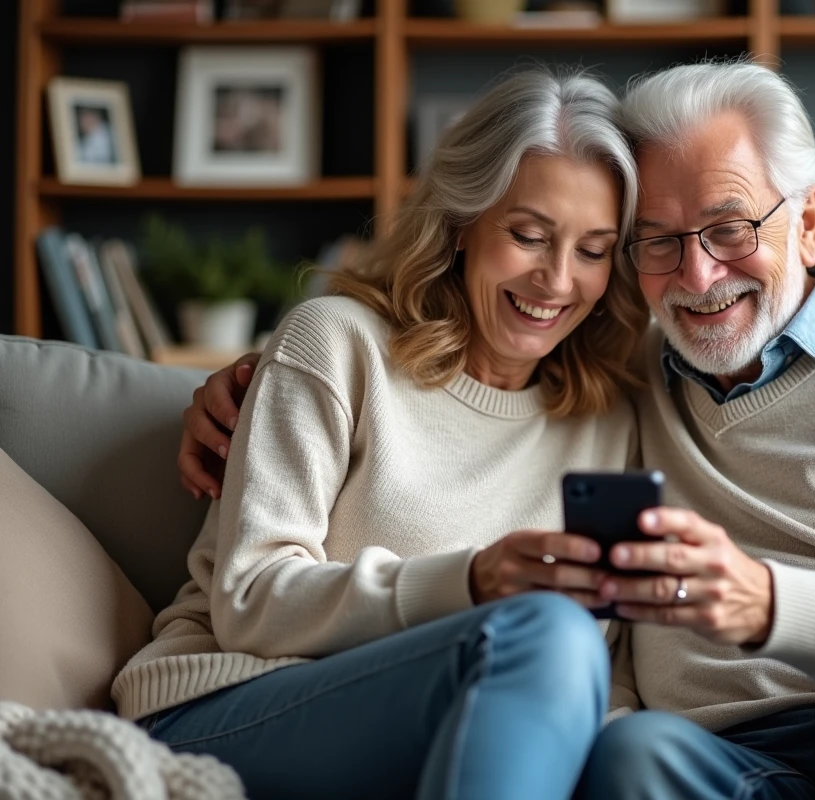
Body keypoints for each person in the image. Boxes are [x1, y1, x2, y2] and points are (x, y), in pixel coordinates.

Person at [179, 61, 815, 800]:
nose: (696, 274)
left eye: (728, 228)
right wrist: (236, 390)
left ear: (807, 219)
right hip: (729, 755)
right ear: (463, 226)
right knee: (632, 753)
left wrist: (770, 604)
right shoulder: (621, 374)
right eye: (657, 241)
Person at [112, 67, 649, 800]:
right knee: (550, 634)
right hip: (228, 703)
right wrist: (470, 581)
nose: (557, 280)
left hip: (450, 727)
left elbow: (607, 662)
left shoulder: (611, 414)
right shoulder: (336, 345)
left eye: (593, 250)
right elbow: (250, 601)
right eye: (529, 235)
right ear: (463, 222)